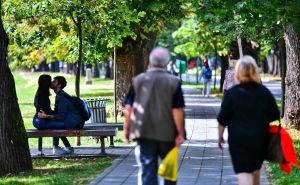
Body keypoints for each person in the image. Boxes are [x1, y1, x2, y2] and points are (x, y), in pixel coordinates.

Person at [123, 47, 185, 185]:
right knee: (169, 172)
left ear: (150, 61)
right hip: (168, 134)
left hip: (143, 132)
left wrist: (127, 129)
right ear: (167, 62)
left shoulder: (138, 80)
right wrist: (180, 132)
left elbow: (128, 108)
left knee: (147, 172)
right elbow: (177, 110)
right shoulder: (174, 82)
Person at [217, 55, 280, 185]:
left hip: (238, 139)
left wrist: (220, 137)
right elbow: (274, 115)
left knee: (244, 172)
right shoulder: (264, 92)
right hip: (259, 138)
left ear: (238, 72)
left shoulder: (231, 94)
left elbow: (223, 119)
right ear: (254, 71)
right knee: (255, 169)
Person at [33, 76, 84, 155]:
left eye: (54, 81)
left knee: (58, 124)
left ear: (59, 85)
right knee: (58, 124)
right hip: (40, 121)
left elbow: (61, 116)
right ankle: (61, 147)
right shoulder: (56, 96)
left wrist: (47, 116)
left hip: (74, 122)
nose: (51, 82)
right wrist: (47, 115)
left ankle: (59, 147)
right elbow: (55, 114)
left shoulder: (61, 97)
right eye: (51, 81)